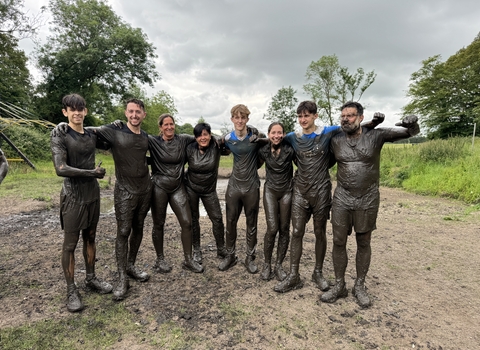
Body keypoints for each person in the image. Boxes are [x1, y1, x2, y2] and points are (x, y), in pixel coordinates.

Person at [274, 101, 382, 293]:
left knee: (319, 231)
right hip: (300, 189)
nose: (303, 120)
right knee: (297, 231)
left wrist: (372, 124)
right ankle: (293, 275)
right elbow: (274, 140)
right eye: (299, 116)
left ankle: (318, 272)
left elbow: (352, 126)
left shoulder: (328, 131)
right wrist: (255, 139)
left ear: (315, 116)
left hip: (322, 189)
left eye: (307, 115)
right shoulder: (292, 137)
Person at [320, 101, 419, 308]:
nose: (346, 119)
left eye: (350, 115)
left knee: (363, 241)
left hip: (368, 197)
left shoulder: (377, 136)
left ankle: (359, 285)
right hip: (342, 198)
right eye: (343, 116)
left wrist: (412, 124)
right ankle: (339, 285)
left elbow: (409, 133)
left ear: (360, 117)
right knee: (338, 241)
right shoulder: (335, 140)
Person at [50, 94, 113, 312]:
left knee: (91, 237)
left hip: (92, 195)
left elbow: (107, 133)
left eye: (80, 109)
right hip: (73, 195)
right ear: (65, 112)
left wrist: (117, 124)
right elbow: (60, 169)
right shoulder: (59, 135)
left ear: (85, 111)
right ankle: (71, 289)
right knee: (70, 244)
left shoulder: (91, 134)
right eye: (71, 109)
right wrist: (92, 173)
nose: (77, 112)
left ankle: (91, 278)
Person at [89, 99, 152, 300]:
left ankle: (131, 265)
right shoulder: (115, 132)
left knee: (139, 227)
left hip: (145, 189)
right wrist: (64, 125)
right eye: (131, 112)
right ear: (126, 113)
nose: (134, 115)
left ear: (144, 115)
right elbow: (88, 130)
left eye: (138, 112)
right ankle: (122, 276)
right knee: (124, 231)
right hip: (124, 190)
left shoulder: (146, 137)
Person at [148, 114, 204, 274]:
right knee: (158, 223)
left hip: (177, 186)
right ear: (160, 127)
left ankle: (188, 259)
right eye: (165, 125)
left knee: (187, 222)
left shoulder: (183, 139)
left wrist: (223, 140)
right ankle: (160, 259)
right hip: (159, 186)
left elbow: (202, 137)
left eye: (171, 124)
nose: (169, 127)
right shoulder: (153, 141)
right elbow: (134, 142)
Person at [219, 104, 263, 273]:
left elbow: (267, 145)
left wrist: (256, 131)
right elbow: (219, 145)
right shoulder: (227, 139)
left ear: (247, 119)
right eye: (236, 117)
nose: (239, 120)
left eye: (242, 117)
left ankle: (249, 257)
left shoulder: (255, 138)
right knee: (230, 222)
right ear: (232, 119)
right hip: (234, 186)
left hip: (252, 185)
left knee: (251, 223)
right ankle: (230, 256)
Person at [184, 123, 228, 264]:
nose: (203, 138)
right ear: (195, 137)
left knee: (217, 218)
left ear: (210, 135)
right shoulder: (189, 149)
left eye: (205, 134)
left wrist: (217, 138)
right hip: (191, 188)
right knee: (194, 219)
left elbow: (229, 139)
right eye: (199, 135)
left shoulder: (216, 146)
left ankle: (221, 248)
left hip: (209, 190)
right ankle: (196, 250)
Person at [258, 122, 295, 281]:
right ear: (269, 134)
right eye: (273, 133)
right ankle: (267, 264)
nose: (276, 136)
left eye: (280, 133)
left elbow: (303, 164)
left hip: (287, 191)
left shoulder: (290, 149)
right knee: (272, 228)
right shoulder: (263, 150)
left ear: (284, 134)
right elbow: (253, 163)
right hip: (270, 191)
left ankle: (279, 265)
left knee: (284, 228)